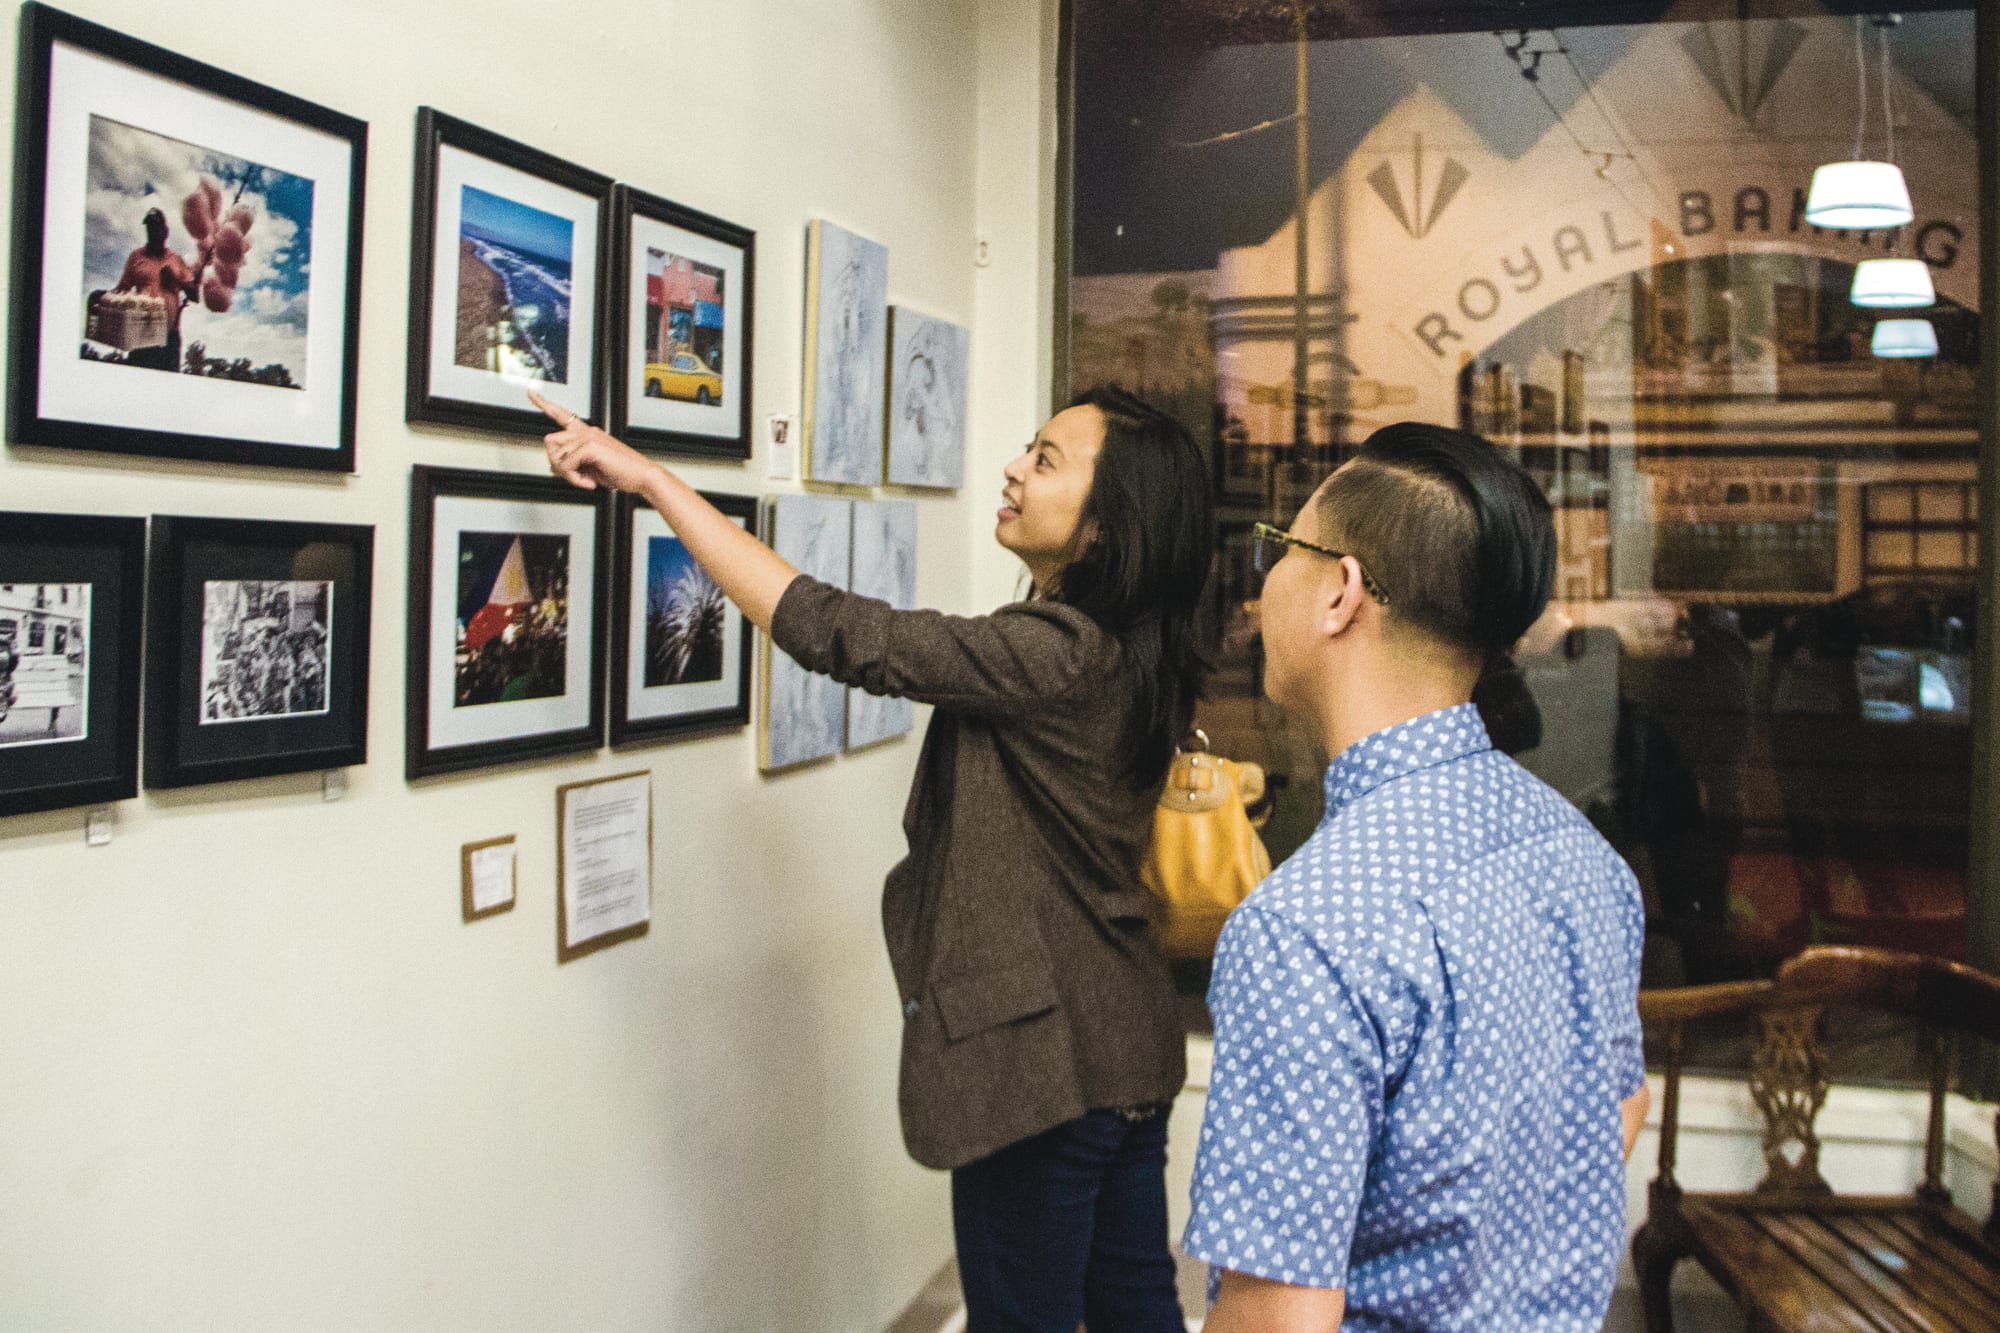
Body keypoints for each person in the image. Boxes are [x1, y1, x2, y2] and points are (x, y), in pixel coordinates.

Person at [532, 383, 1213, 1332]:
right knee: (1134, 1302)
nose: (1014, 469)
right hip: (1124, 1037)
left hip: (1042, 1063)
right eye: (1028, 447)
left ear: (1106, 527)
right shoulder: (1133, 655)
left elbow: (839, 632)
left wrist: (653, 481)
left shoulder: (1055, 653)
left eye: (1046, 460)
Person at [1183, 422, 1647, 1332]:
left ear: (1340, 593)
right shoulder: (1581, 853)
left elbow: (1280, 1316)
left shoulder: (1304, 930)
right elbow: (1622, 1104)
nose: (1260, 583)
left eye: (1281, 550)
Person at [111, 207, 201, 373]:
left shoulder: (177, 260)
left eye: (156, 227)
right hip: (140, 334)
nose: (152, 232)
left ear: (165, 231)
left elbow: (195, 295)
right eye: (149, 228)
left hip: (169, 338)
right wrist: (102, 296)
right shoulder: (136, 257)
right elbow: (121, 290)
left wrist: (176, 280)